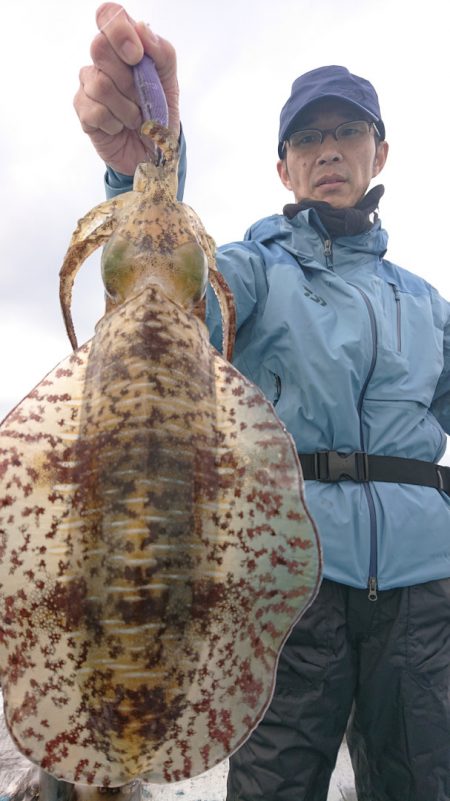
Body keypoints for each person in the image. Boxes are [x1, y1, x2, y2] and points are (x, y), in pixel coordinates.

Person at [75, 4, 450, 800]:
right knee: (274, 784)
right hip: (292, 578)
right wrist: (146, 174)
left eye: (346, 132)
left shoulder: (426, 303)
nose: (328, 151)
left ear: (379, 151)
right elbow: (166, 299)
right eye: (307, 139)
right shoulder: (246, 269)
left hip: (424, 585)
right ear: (284, 167)